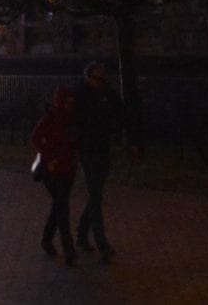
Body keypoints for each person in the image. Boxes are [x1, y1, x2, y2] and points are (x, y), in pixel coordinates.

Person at [74, 61, 125, 262]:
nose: (102, 82)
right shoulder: (81, 95)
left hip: (103, 148)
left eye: (103, 78)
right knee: (95, 194)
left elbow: (120, 111)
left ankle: (81, 234)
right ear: (88, 78)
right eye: (98, 78)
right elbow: (82, 120)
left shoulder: (107, 93)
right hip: (87, 150)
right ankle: (101, 242)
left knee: (96, 194)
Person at [31, 86, 79, 266]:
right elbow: (35, 138)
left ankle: (47, 239)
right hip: (52, 170)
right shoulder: (51, 119)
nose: (70, 105)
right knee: (62, 207)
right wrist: (48, 157)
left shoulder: (71, 119)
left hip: (68, 168)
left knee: (59, 205)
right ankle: (68, 248)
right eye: (67, 102)